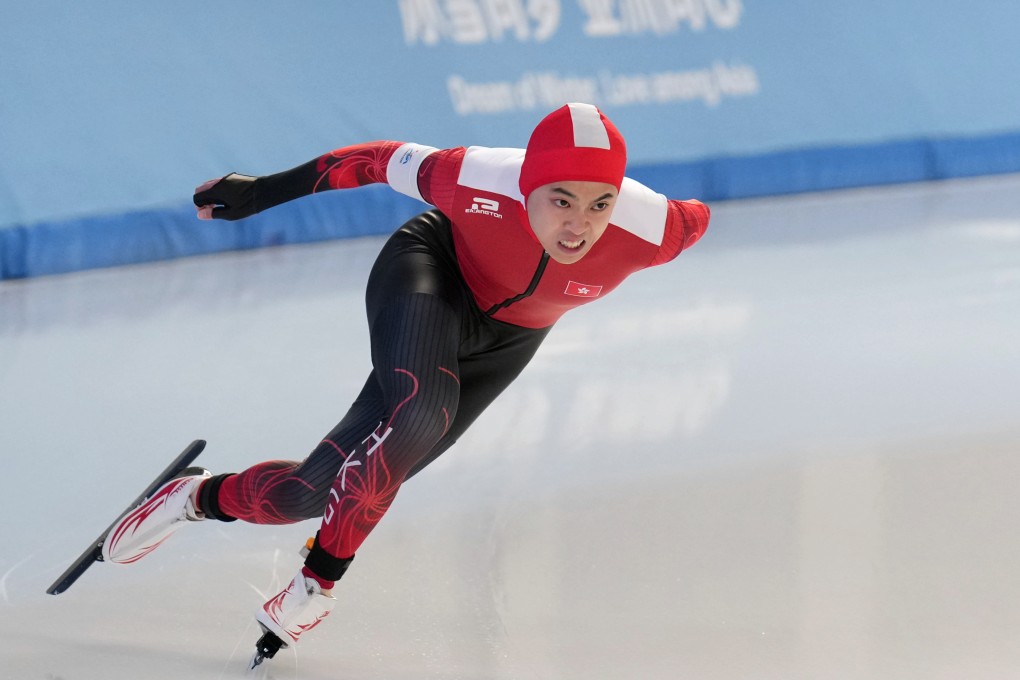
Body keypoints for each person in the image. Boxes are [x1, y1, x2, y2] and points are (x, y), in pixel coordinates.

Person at [102, 102, 710, 649]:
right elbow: (372, 161)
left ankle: (195, 496)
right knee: (420, 413)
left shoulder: (657, 227)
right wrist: (264, 192)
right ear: (526, 185)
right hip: (430, 274)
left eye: (600, 204)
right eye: (561, 201)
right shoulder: (475, 175)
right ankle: (318, 584)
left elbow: (700, 215)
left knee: (303, 496)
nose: (579, 225)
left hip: (510, 341)